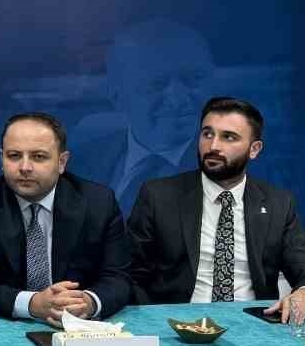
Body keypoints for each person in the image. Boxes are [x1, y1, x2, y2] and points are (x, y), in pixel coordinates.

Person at [128, 97, 305, 319]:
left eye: (229, 137)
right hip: (178, 324)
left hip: (252, 324)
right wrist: (154, 320)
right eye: (207, 134)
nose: (213, 146)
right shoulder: (158, 196)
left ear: (254, 149)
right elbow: (129, 275)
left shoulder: (278, 204)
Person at [0, 112, 130, 325]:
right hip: (2, 325)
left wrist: (87, 303)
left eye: (38, 157)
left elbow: (118, 278)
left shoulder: (98, 203)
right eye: (14, 156)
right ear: (1, 159)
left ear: (62, 162)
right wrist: (33, 304)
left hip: (78, 327)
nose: (25, 167)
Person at [77, 19, 215, 213]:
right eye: (156, 85)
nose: (178, 99)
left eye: (193, 80)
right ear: (116, 96)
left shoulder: (246, 167)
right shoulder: (76, 164)